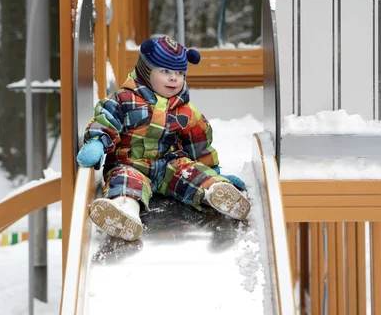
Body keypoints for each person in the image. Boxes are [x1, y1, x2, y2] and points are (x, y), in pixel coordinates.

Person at [76, 35, 251, 241]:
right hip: (131, 163)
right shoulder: (123, 100)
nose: (174, 78)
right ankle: (124, 211)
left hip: (170, 164)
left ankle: (215, 192)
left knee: (190, 173)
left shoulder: (185, 111)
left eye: (179, 73)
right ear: (145, 71)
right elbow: (105, 121)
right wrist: (97, 142)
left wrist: (212, 171)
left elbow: (199, 142)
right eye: (165, 71)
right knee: (126, 181)